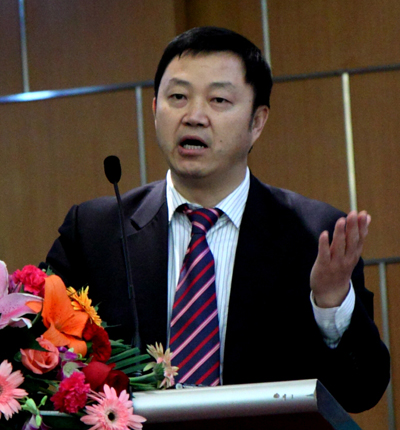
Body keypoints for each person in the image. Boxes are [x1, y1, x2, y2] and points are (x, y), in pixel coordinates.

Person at [44, 27, 390, 413]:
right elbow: (38, 360)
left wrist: (331, 306)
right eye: (178, 97)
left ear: (257, 122)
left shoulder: (314, 236)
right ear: (154, 109)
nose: (194, 117)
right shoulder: (93, 232)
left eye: (218, 100)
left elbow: (361, 392)